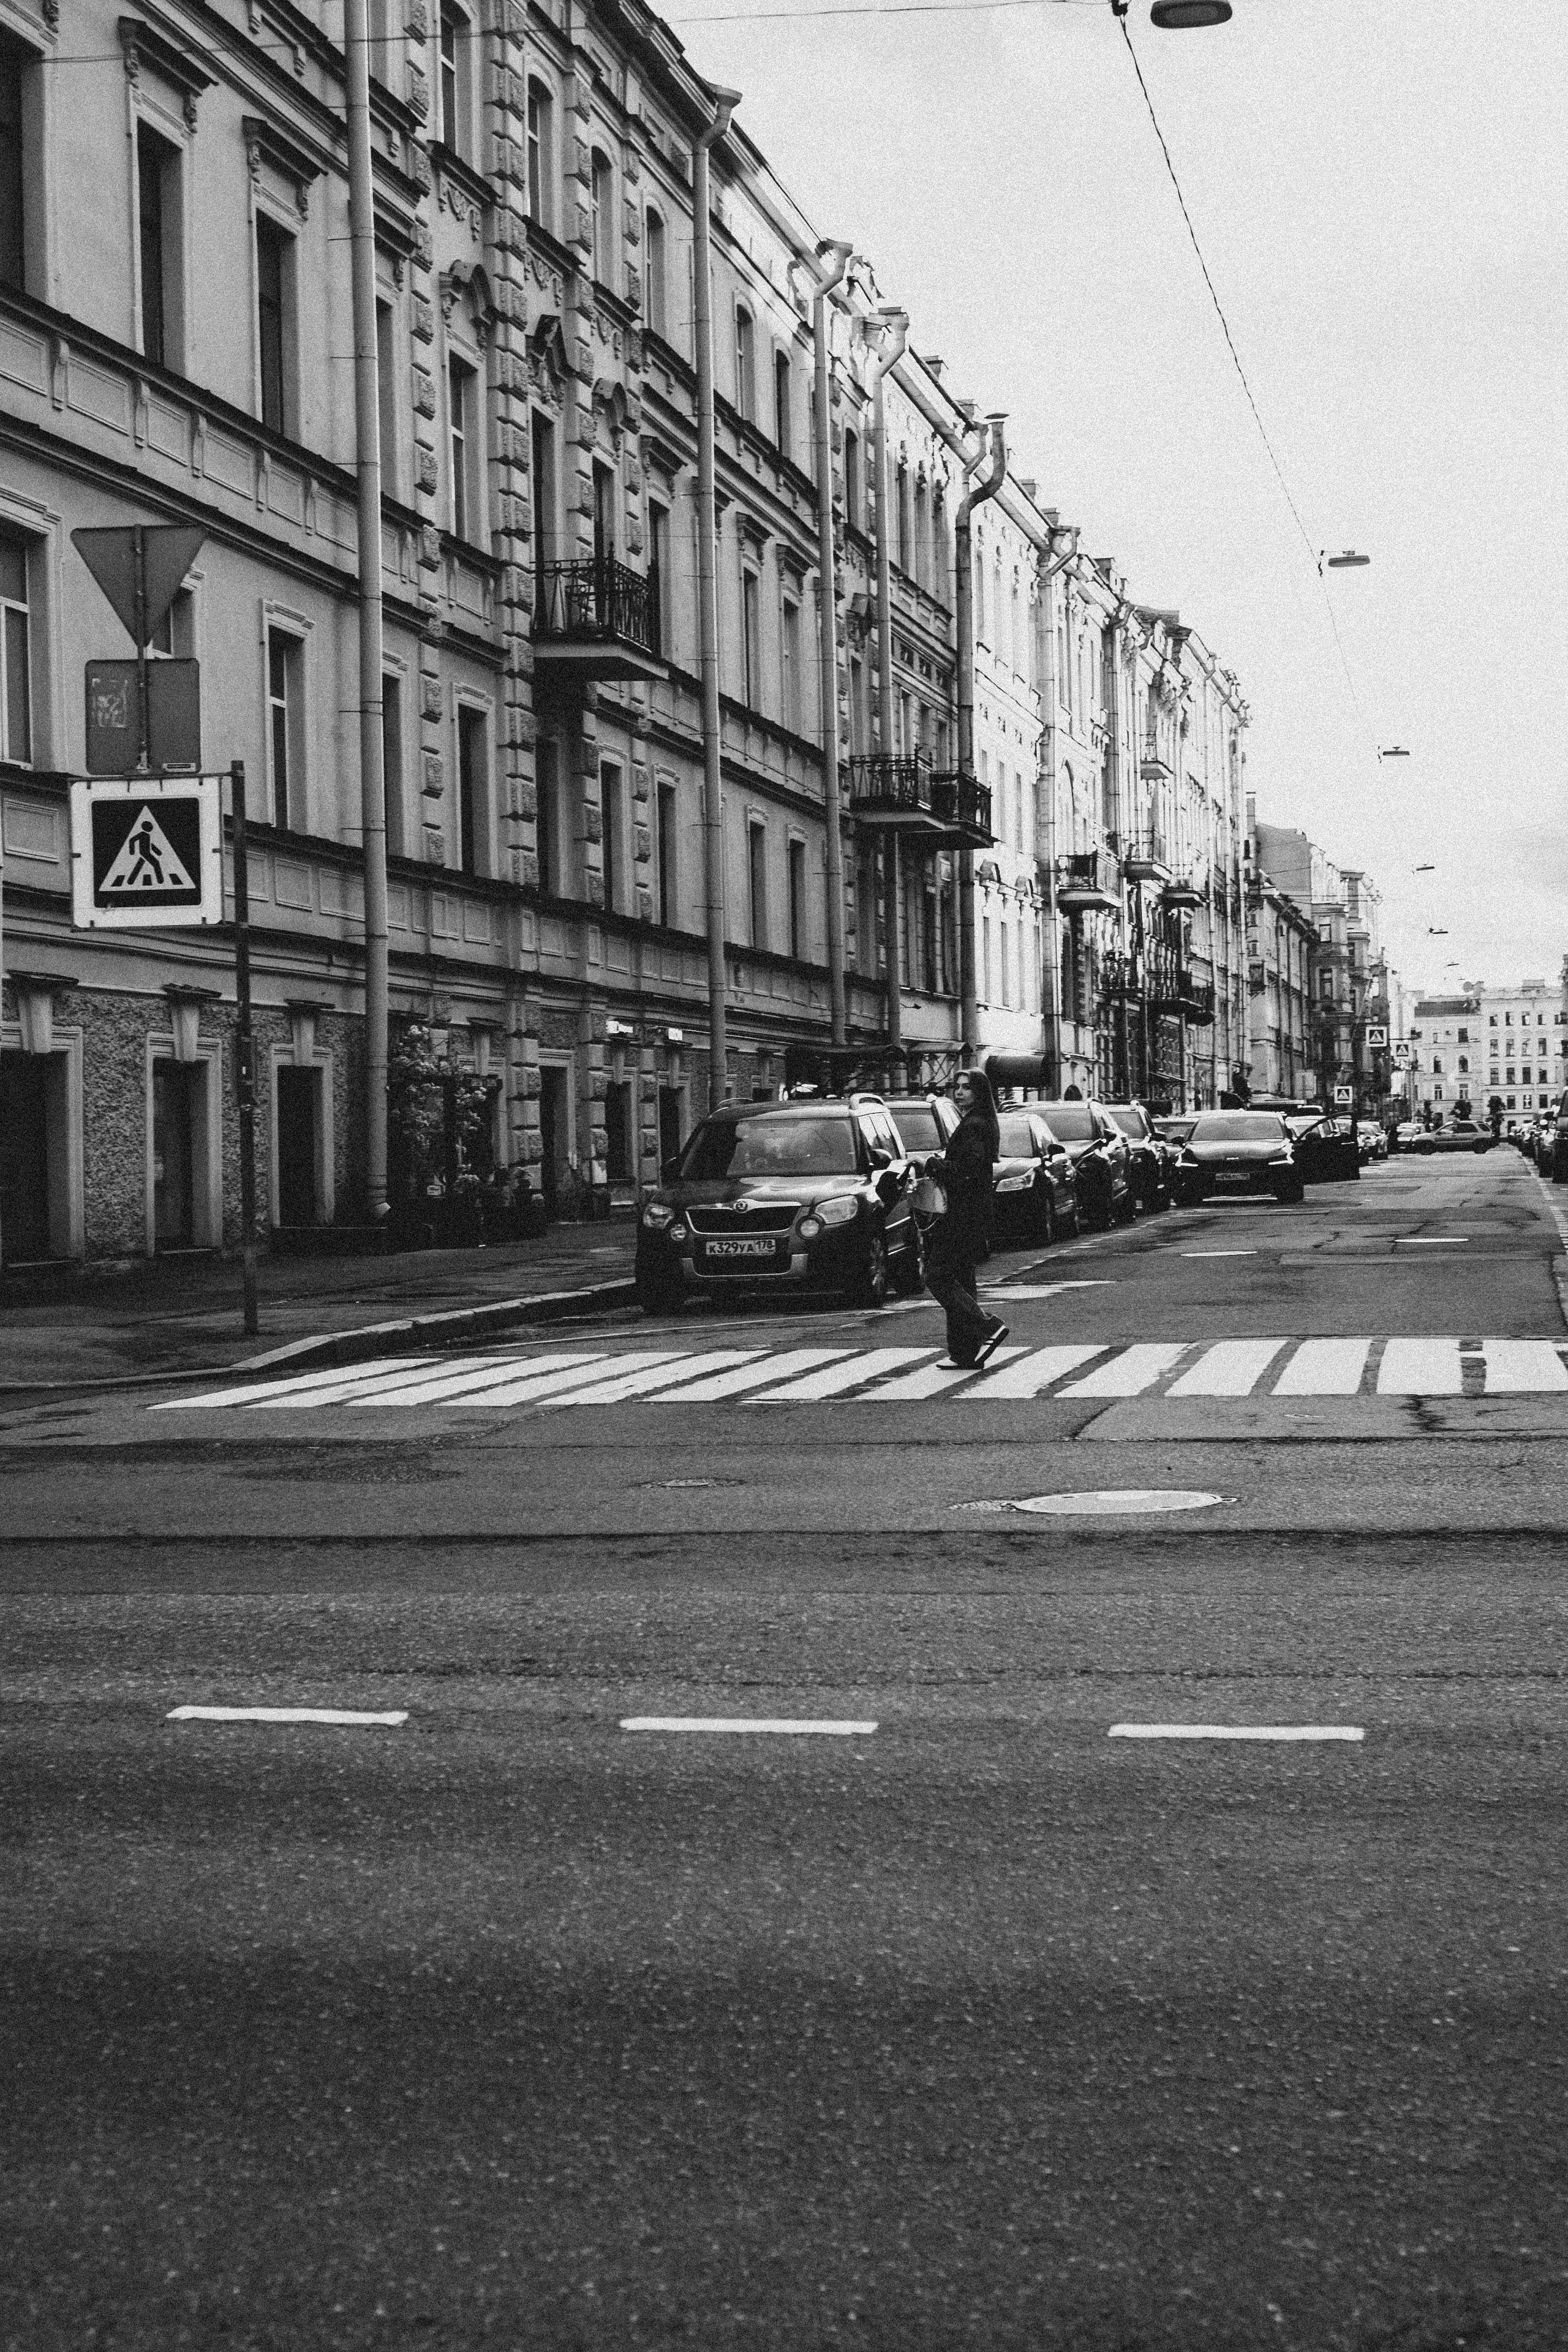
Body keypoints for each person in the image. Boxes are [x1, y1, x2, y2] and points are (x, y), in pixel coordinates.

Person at [921, 1069, 1007, 1370]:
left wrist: (938, 1165)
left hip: (963, 1213)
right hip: (974, 1212)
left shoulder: (974, 1125)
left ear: (979, 1092)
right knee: (961, 1279)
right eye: (956, 1087)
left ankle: (986, 1326)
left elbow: (967, 1172)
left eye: (967, 1088)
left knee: (938, 1275)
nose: (959, 1092)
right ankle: (964, 1353)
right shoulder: (979, 1122)